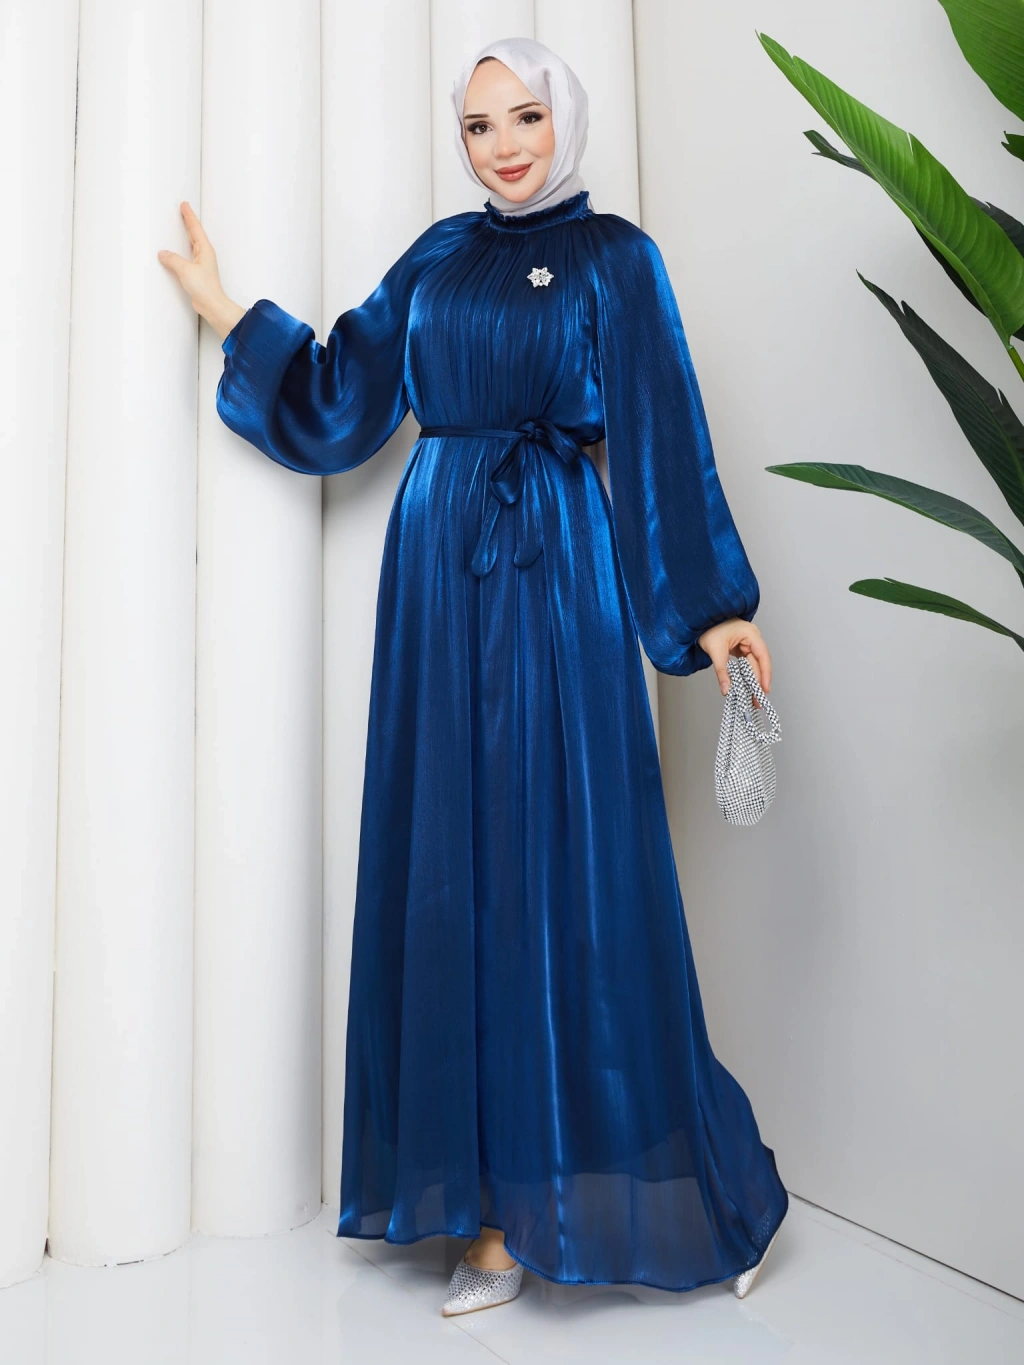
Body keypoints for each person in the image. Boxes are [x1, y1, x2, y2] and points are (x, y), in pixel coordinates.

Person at [158, 34, 788, 1317]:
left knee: (575, 870)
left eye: (524, 119)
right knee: (455, 869)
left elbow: (662, 436)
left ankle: (698, 1193)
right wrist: (227, 313)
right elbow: (342, 392)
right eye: (477, 127)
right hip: (437, 581)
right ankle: (494, 1216)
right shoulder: (440, 257)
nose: (502, 147)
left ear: (565, 121)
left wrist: (715, 614)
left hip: (558, 573)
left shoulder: (617, 259)